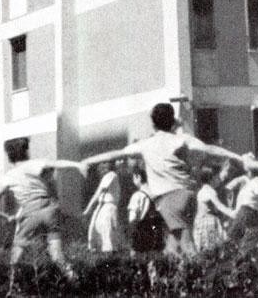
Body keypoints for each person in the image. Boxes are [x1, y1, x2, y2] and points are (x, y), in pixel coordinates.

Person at [82, 103, 247, 257]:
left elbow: (116, 153)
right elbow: (209, 148)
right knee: (171, 249)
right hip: (189, 197)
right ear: (173, 121)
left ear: (153, 124)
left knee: (188, 247)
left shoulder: (146, 144)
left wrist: (88, 161)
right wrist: (236, 156)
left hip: (169, 200)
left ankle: (205, 280)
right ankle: (176, 283)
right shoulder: (181, 139)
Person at [0, 136, 90, 271]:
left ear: (9, 155)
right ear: (25, 152)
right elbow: (57, 163)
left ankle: (12, 285)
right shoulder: (35, 164)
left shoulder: (9, 176)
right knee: (56, 254)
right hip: (50, 208)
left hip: (30, 211)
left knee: (17, 251)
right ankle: (73, 279)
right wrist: (77, 165)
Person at [194, 166, 235, 250]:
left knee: (205, 245)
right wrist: (233, 214)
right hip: (208, 220)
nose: (218, 180)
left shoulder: (202, 190)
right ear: (211, 178)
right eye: (216, 177)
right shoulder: (210, 191)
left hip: (200, 220)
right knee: (214, 245)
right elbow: (219, 206)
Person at [83, 162, 121, 253]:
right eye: (101, 164)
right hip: (102, 207)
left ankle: (109, 256)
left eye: (106, 163)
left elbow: (98, 193)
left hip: (108, 207)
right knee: (96, 231)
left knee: (107, 232)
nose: (103, 167)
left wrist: (88, 209)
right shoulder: (105, 177)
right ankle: (99, 254)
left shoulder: (111, 175)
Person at [127, 167, 164, 254]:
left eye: (133, 178)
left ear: (138, 177)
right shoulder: (156, 195)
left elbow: (132, 218)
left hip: (141, 232)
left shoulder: (137, 196)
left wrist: (131, 237)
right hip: (155, 232)